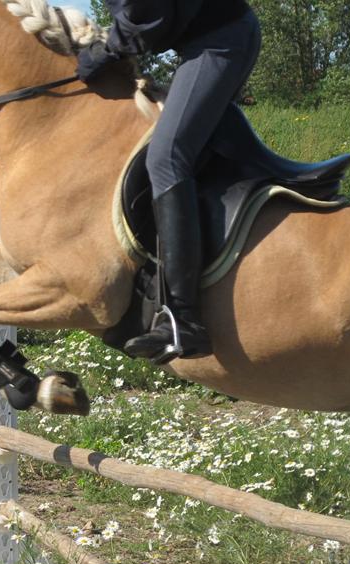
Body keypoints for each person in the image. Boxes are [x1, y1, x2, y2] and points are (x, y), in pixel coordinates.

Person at [76, 0, 261, 363]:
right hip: (203, 43)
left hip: (221, 42)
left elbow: (146, 15)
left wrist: (105, 51)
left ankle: (184, 318)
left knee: (166, 158)